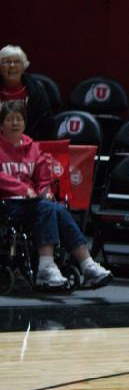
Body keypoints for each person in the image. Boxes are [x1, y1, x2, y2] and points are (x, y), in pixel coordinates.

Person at [0, 100, 111, 288]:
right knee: (46, 208)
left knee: (56, 208)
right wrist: (21, 189)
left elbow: (44, 178)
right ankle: (46, 267)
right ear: (2, 125)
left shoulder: (33, 148)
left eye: (19, 119)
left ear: (25, 123)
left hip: (32, 204)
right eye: (10, 119)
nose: (15, 123)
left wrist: (46, 191)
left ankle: (88, 265)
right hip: (7, 203)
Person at [0, 45, 53, 140]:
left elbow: (46, 125)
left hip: (30, 145)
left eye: (17, 62)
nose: (12, 65)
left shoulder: (37, 91)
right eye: (7, 62)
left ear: (23, 66)